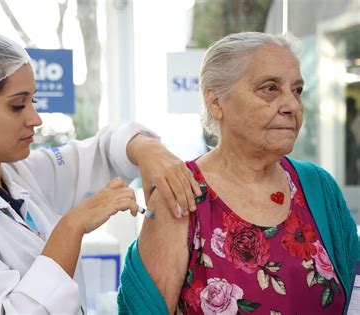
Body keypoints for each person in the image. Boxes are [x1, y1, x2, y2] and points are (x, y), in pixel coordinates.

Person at [0, 21, 202, 314]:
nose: (35, 118)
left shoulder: (15, 175)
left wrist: (144, 148)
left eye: (33, 101)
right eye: (17, 105)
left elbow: (103, 152)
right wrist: (71, 227)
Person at [118, 32, 360, 314]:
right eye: (270, 88)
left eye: (297, 90)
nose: (293, 106)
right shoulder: (182, 194)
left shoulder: (318, 187)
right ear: (216, 102)